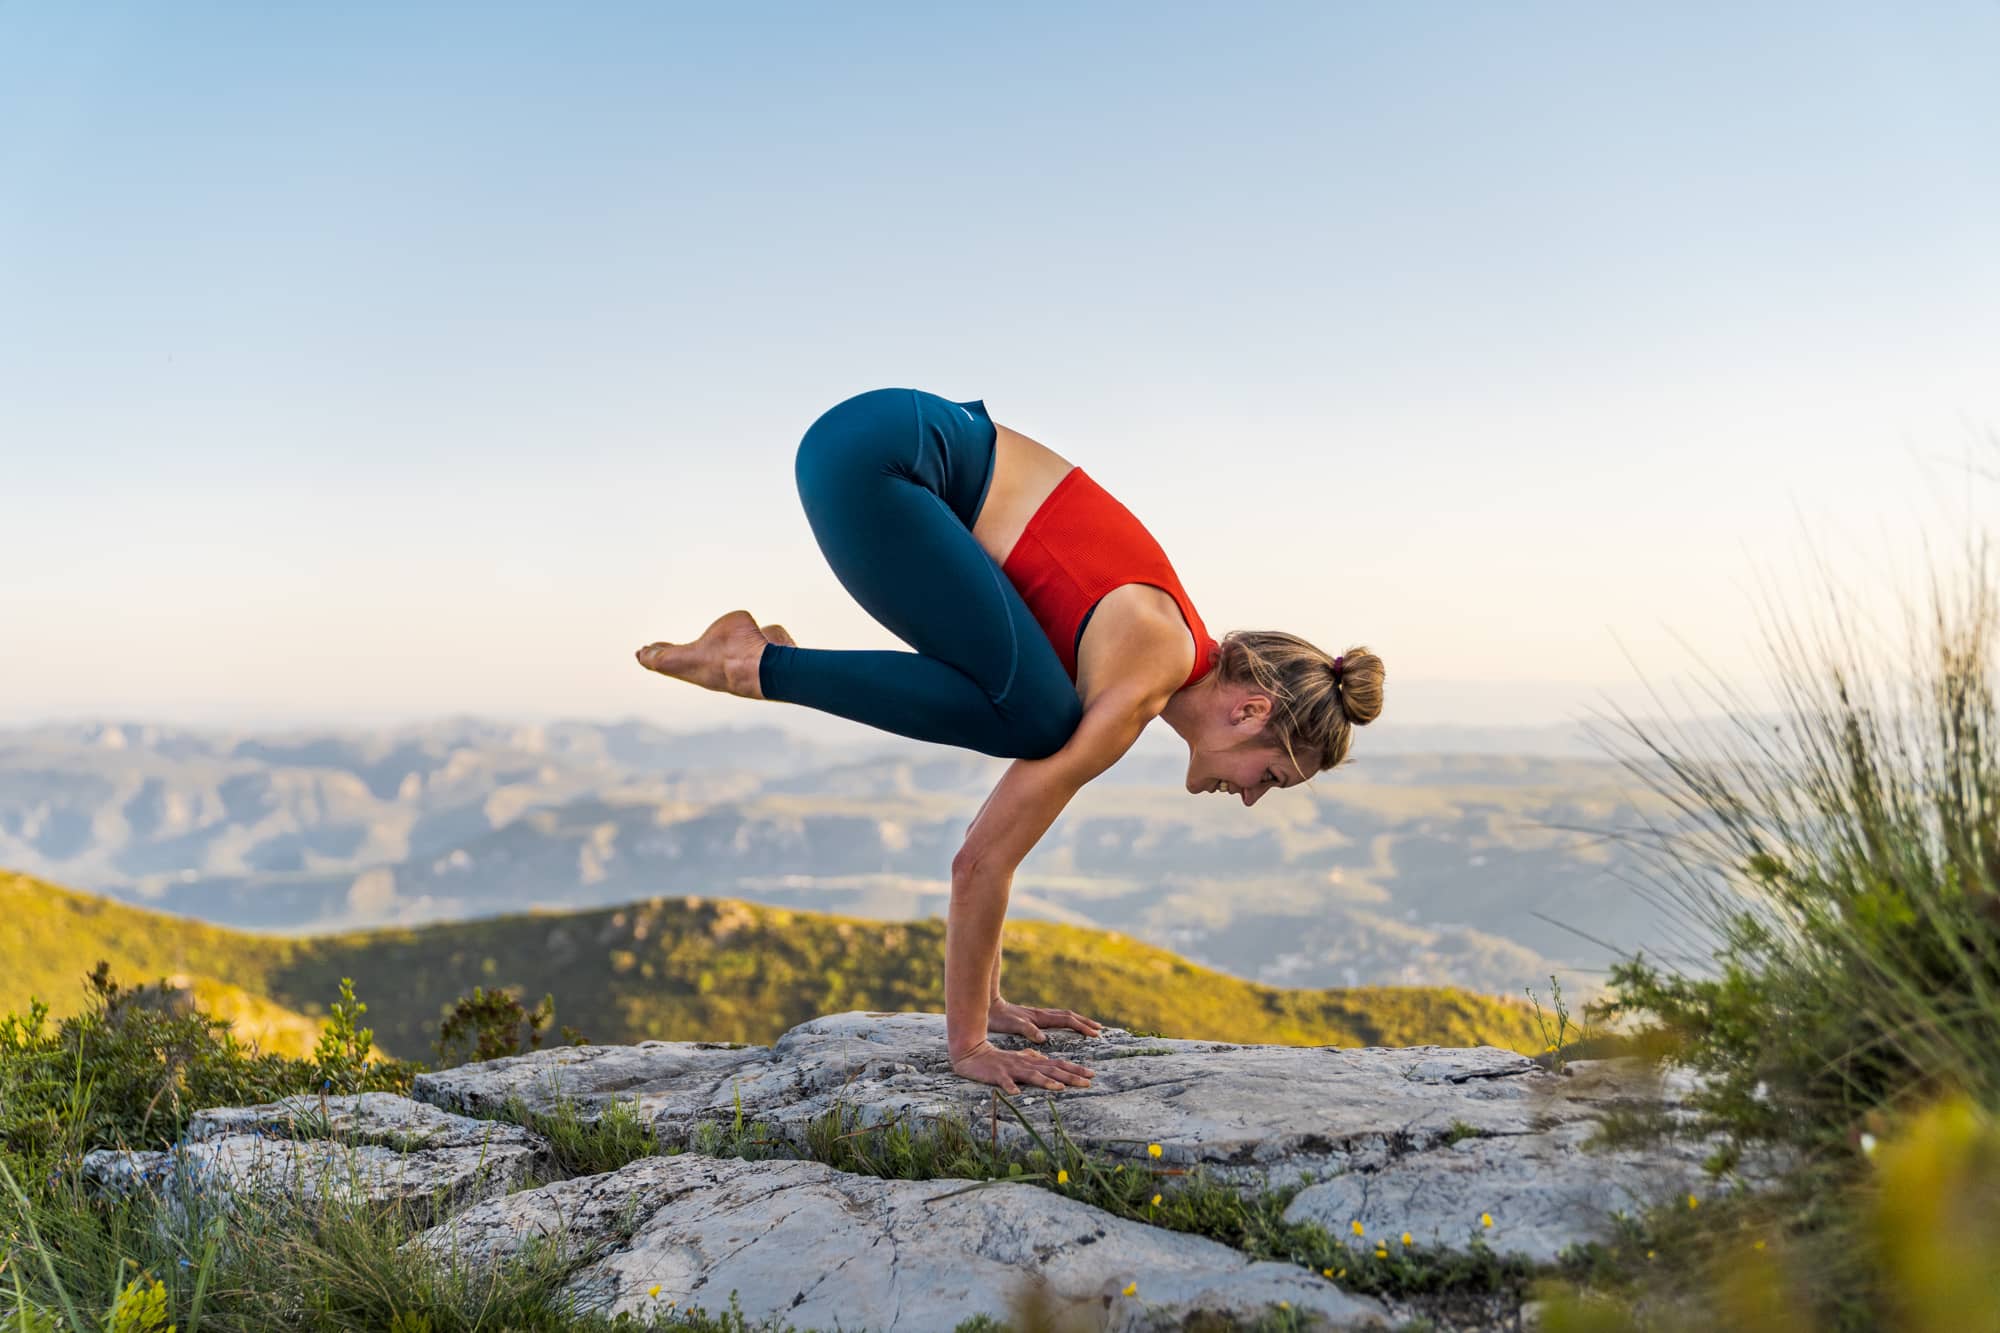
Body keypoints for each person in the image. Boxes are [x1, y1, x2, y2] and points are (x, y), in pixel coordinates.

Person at [637, 388, 1384, 1094]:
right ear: (1251, 711)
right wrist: (969, 1045)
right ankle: (751, 662)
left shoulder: (1157, 642)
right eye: (1272, 776)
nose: (1251, 796)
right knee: (1039, 722)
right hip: (880, 462)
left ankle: (758, 656)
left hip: (873, 445)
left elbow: (993, 841)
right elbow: (982, 857)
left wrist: (992, 1000)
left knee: (1037, 710)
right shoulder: (1143, 677)